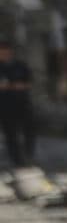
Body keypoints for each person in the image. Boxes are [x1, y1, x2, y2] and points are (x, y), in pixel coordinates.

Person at [0, 37, 35, 167]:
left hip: (23, 103)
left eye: (5, 51)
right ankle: (17, 160)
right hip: (5, 105)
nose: (3, 53)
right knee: (10, 134)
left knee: (29, 130)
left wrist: (17, 86)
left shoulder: (20, 65)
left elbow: (29, 82)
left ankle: (28, 154)